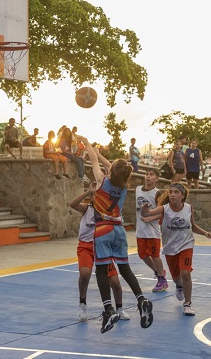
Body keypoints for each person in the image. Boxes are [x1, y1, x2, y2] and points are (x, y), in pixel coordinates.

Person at [77, 135, 153, 333]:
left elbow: (93, 161)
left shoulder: (102, 181)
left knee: (101, 271)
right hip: (119, 230)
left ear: (111, 171)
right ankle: (141, 299)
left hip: (103, 229)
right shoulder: (123, 186)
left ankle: (109, 309)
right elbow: (116, 169)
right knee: (125, 269)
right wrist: (103, 156)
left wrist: (87, 143)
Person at [140, 183, 211, 316]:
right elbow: (148, 213)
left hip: (186, 244)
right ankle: (179, 286)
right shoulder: (164, 209)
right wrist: (144, 210)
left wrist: (205, 233)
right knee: (176, 278)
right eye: (171, 192)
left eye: (176, 192)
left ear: (183, 195)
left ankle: (188, 303)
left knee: (185, 273)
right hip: (170, 248)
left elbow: (192, 226)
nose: (172, 194)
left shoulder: (188, 208)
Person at [70, 181, 130, 323]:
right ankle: (82, 303)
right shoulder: (87, 209)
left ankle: (119, 308)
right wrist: (88, 192)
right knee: (85, 273)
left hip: (103, 247)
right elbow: (72, 204)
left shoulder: (108, 211)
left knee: (115, 282)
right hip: (86, 246)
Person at [135, 167, 169, 292]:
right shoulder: (138, 189)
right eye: (146, 174)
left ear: (157, 178)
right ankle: (158, 271)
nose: (148, 176)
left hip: (152, 231)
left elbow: (164, 212)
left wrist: (150, 218)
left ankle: (161, 280)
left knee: (155, 255)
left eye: (151, 174)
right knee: (142, 255)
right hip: (140, 229)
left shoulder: (157, 193)